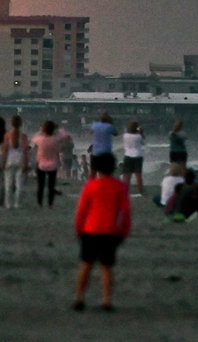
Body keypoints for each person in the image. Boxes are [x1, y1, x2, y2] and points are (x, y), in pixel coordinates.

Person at [73, 153, 131, 312]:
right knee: (106, 267)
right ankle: (106, 300)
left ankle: (79, 297)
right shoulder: (120, 187)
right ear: (114, 167)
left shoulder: (91, 185)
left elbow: (82, 210)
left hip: (90, 229)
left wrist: (78, 229)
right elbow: (125, 212)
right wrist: (124, 231)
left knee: (86, 265)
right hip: (110, 231)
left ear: (97, 168)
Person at [32, 121, 63, 208]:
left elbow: (34, 138)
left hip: (41, 165)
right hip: (53, 165)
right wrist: (58, 128)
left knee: (40, 185)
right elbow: (64, 135)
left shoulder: (40, 139)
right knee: (51, 185)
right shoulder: (56, 139)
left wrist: (41, 130)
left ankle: (40, 204)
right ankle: (50, 204)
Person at [3, 115, 28, 209]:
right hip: (20, 160)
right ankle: (17, 203)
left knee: (8, 184)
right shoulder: (23, 136)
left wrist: (3, 162)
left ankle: (8, 204)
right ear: (21, 124)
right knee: (19, 184)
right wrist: (26, 163)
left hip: (9, 160)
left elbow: (5, 150)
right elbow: (25, 151)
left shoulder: (7, 135)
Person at [90, 112, 117, 178]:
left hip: (95, 152)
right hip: (106, 152)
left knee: (93, 171)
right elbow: (115, 133)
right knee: (105, 172)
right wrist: (111, 123)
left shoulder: (94, 125)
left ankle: (89, 186)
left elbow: (91, 131)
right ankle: (103, 185)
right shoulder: (109, 126)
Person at [122, 121, 146, 195]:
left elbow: (127, 133)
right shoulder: (138, 136)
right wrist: (141, 132)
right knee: (138, 175)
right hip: (138, 155)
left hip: (128, 155)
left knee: (127, 175)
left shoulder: (125, 135)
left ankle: (125, 191)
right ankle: (140, 191)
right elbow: (144, 143)